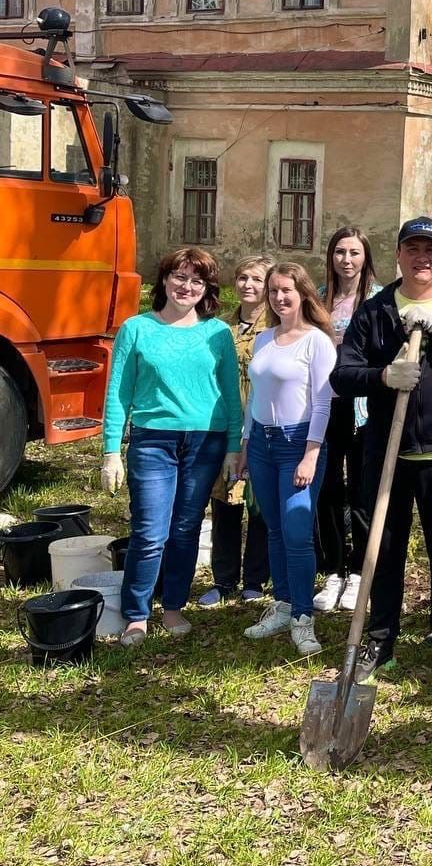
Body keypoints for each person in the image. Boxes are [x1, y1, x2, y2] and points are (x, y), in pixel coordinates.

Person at [332, 217, 432, 686]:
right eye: (413, 249)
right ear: (399, 254)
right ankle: (381, 638)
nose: (422, 258)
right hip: (388, 452)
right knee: (384, 548)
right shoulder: (376, 310)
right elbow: (342, 375)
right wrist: (384, 376)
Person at [101, 246, 242, 648]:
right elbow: (118, 393)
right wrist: (111, 450)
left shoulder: (217, 333)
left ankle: (174, 606)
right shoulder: (137, 329)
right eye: (180, 277)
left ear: (207, 289)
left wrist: (233, 446)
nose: (187, 286)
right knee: (149, 531)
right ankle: (136, 615)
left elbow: (230, 395)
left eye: (197, 280)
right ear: (164, 280)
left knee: (185, 527)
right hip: (152, 440)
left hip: (206, 442)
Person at [241, 263, 337, 656]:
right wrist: (246, 445)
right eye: (274, 291)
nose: (280, 298)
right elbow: (254, 396)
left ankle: (303, 616)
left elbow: (323, 402)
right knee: (274, 528)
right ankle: (282, 604)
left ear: (303, 294)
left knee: (297, 529)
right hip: (262, 443)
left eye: (287, 291)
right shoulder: (263, 339)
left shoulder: (316, 342)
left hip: (298, 442)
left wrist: (310, 455)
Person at [314, 226, 382, 614]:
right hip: (326, 405)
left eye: (354, 253)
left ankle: (359, 573)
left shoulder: (377, 299)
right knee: (326, 489)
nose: (346, 260)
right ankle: (333, 570)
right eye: (340, 252)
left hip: (363, 407)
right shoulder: (320, 299)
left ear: (365, 258)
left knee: (360, 490)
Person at [199, 256, 272, 607]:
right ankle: (224, 579)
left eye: (257, 279)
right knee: (224, 501)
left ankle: (255, 579)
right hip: (224, 425)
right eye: (242, 277)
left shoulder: (276, 327)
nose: (248, 285)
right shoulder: (219, 327)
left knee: (258, 505)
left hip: (260, 424)